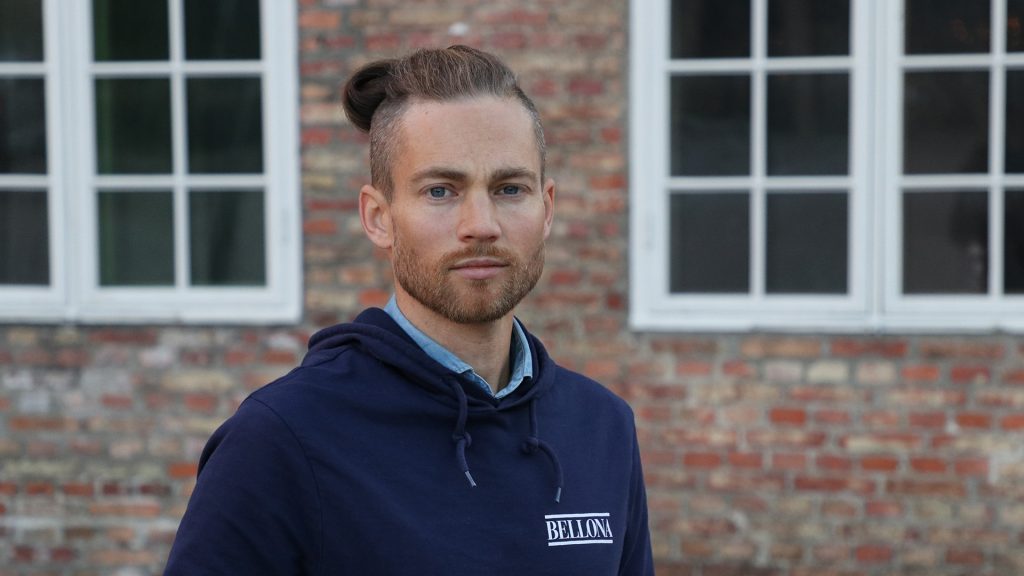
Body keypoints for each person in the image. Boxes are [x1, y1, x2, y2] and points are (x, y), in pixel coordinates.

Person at [164, 45, 653, 575]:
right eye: (441, 191)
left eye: (510, 188)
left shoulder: (602, 428)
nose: (481, 224)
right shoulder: (284, 438)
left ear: (547, 208)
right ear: (379, 217)